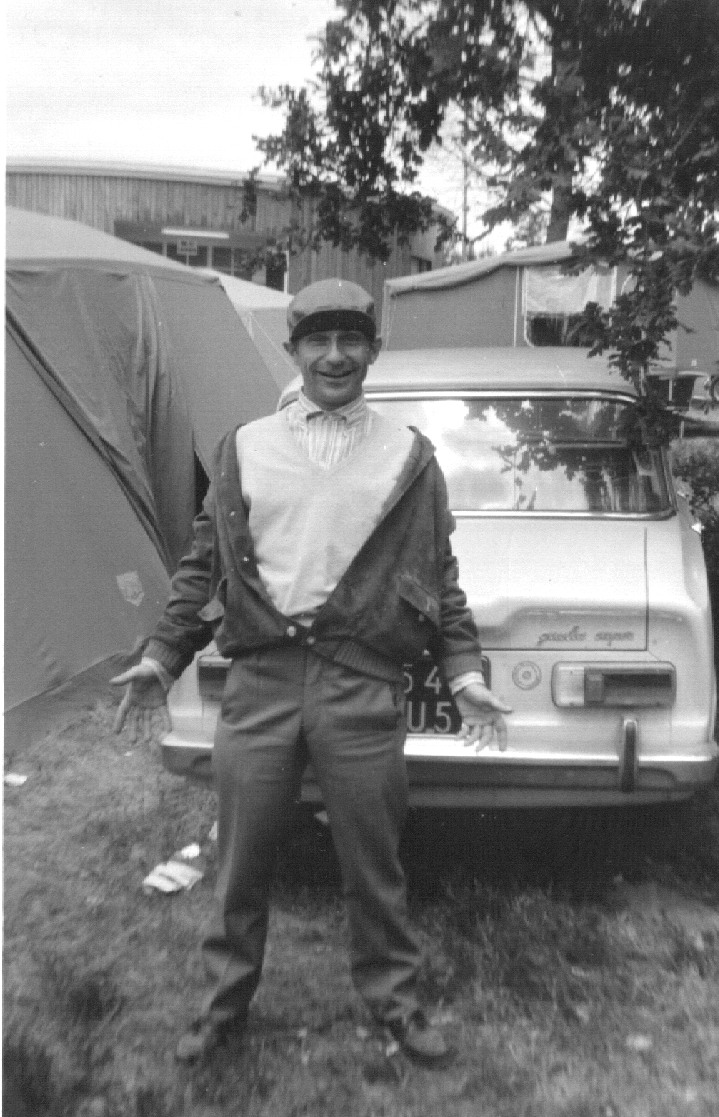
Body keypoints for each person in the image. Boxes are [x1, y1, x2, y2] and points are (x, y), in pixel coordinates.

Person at [112, 278, 512, 1067]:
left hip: (360, 685)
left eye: (350, 339)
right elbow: (203, 566)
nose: (335, 355)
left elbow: (438, 578)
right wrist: (162, 656)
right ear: (292, 350)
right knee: (240, 861)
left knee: (374, 863)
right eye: (317, 340)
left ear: (373, 349)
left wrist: (463, 673)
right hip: (260, 684)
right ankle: (222, 1007)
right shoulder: (243, 446)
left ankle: (396, 1005)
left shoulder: (410, 457)